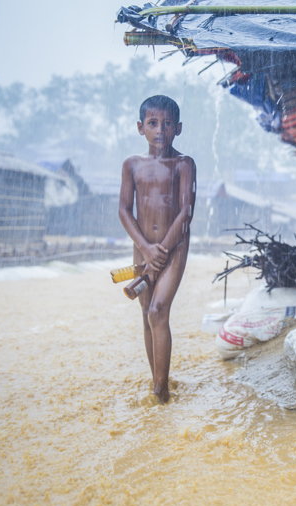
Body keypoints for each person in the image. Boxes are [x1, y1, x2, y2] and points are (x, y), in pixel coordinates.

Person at [119, 95, 196, 403]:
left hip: (174, 247)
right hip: (143, 249)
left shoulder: (183, 164)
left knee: (158, 310)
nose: (159, 130)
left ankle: (159, 394)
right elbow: (124, 210)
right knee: (146, 315)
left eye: (166, 124)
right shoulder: (131, 165)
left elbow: (186, 212)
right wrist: (146, 249)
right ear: (141, 128)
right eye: (152, 123)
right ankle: (159, 381)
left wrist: (161, 249)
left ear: (177, 128)